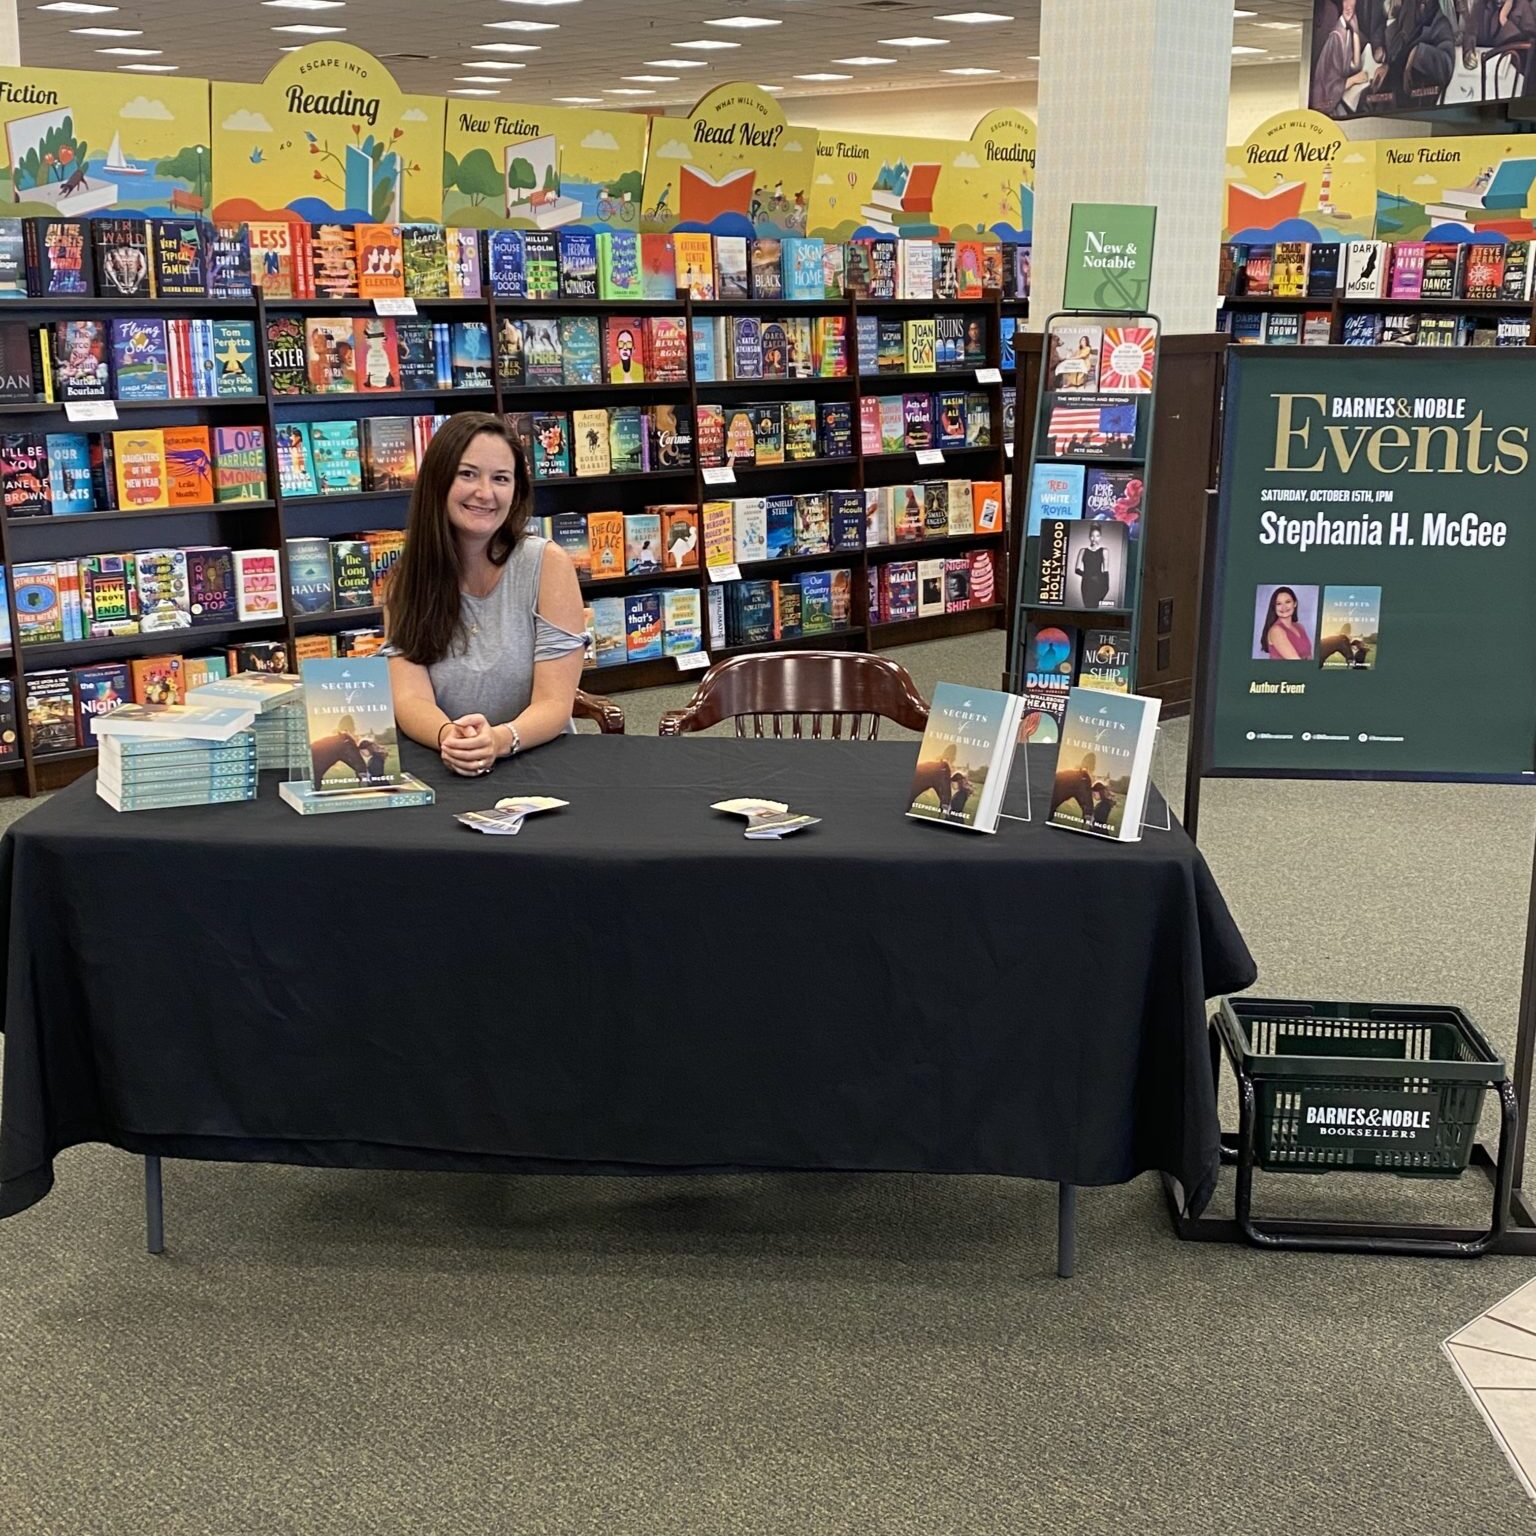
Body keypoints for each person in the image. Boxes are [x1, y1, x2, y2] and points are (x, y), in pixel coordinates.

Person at [384, 412, 585, 777]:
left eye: (501, 479)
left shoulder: (547, 565)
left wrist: (497, 740)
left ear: (516, 491)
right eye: (468, 474)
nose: (485, 493)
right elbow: (411, 699)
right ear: (439, 481)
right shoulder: (405, 579)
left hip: (539, 765)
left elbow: (555, 703)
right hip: (443, 763)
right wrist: (452, 738)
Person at [1259, 586, 1313, 661]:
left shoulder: (1300, 627)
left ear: (1295, 603)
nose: (1284, 607)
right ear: (1274, 607)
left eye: (1287, 602)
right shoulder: (1276, 631)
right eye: (1278, 604)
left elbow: (1309, 656)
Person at [1075, 525, 1111, 609]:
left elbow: (1106, 571)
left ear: (1100, 537)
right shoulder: (1083, 551)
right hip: (1086, 583)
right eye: (1092, 536)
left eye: (1097, 536)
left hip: (1099, 583)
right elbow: (1077, 570)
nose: (1094, 538)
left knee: (1095, 606)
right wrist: (1088, 576)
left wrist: (1106, 587)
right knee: (1087, 606)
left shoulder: (1104, 551)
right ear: (1089, 537)